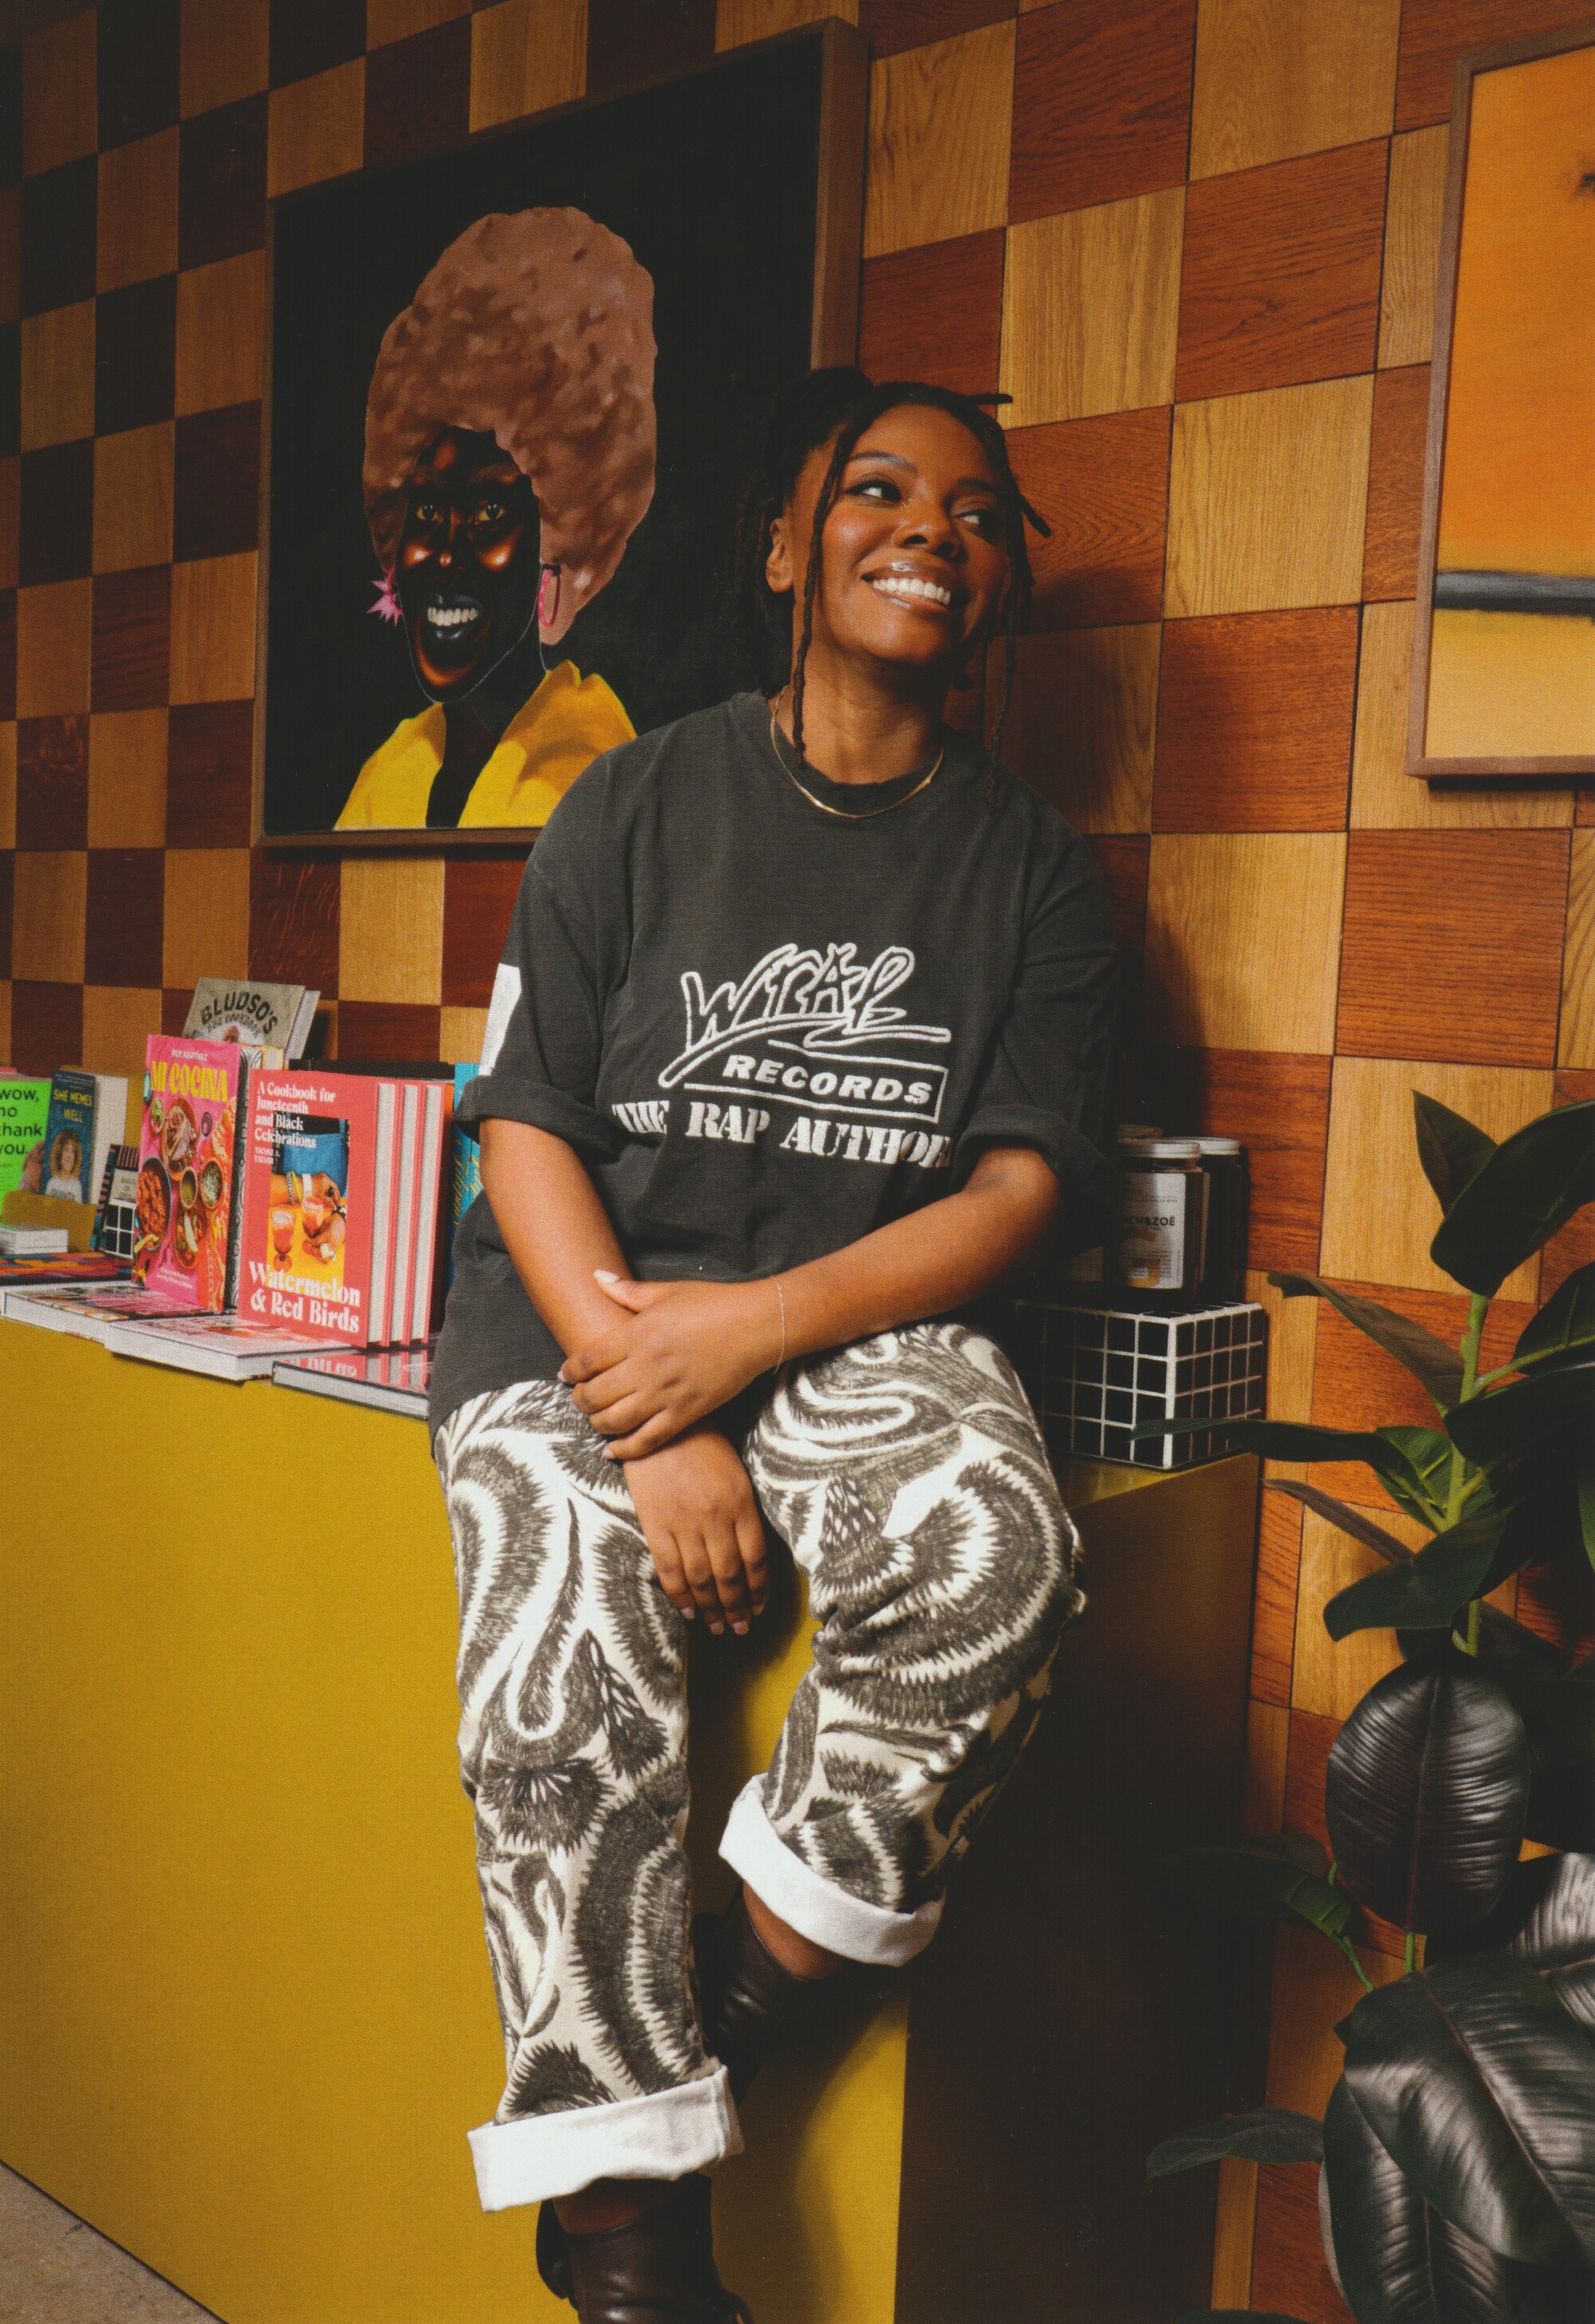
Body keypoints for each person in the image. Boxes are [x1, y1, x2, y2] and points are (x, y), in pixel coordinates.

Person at [430, 368, 1116, 2322]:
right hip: (585, 1308)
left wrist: (756, 1338)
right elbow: (531, 1122)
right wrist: (646, 1410)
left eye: (979, 513)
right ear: (779, 547)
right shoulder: (627, 799)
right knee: (557, 1648)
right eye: (879, 489)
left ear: (997, 590)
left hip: (841, 1317)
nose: (932, 528)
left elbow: (1011, 1195)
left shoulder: (1030, 867)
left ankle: (714, 2036)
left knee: (1001, 1552)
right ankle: (631, 2239)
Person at [338, 208, 656, 831]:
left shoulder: (591, 787)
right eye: (427, 509)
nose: (445, 551)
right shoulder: (391, 773)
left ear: (563, 537)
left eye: (488, 510)